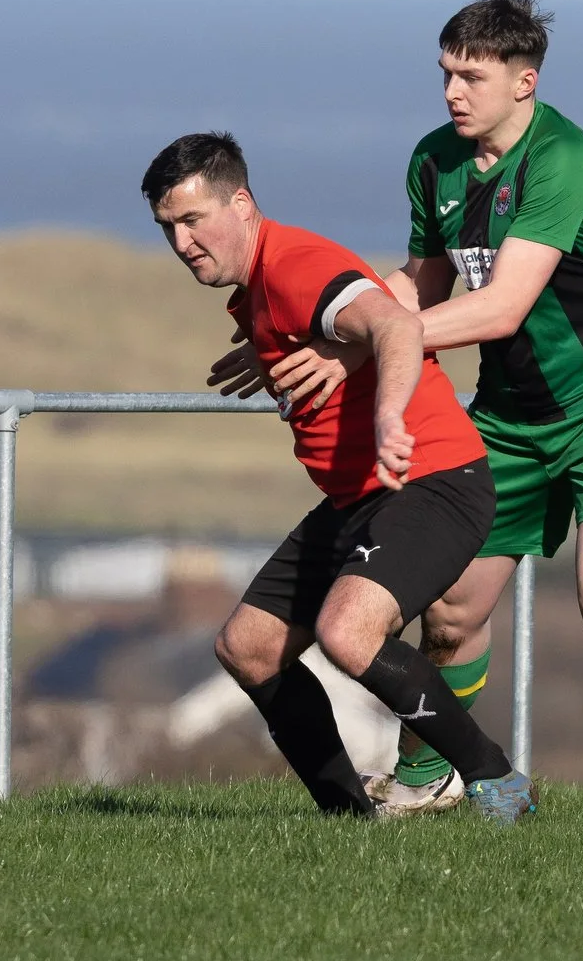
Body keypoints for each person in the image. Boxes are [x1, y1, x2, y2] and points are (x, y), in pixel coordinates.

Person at [222, 0, 583, 826]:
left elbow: (502, 308)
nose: (453, 93)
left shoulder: (563, 159)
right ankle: (429, 776)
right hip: (505, 416)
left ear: (524, 81)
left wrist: (362, 345)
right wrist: (332, 324)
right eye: (445, 74)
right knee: (453, 611)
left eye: (472, 76)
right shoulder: (435, 160)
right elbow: (425, 281)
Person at [143, 131, 536, 823]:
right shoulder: (258, 288)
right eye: (168, 227)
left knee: (348, 635)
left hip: (432, 479)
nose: (181, 244)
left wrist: (388, 418)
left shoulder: (293, 265)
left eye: (193, 220)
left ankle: (498, 782)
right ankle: (350, 821)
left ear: (240, 203)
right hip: (362, 497)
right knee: (249, 648)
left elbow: (395, 325)